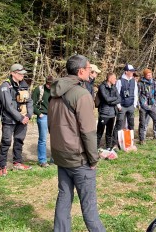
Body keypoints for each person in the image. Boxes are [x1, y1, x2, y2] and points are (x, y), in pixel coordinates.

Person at [48, 54, 105, 232]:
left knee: (64, 197)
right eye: (89, 69)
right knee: (89, 206)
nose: (91, 72)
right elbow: (88, 132)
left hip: (61, 155)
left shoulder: (55, 93)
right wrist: (93, 159)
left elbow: (51, 125)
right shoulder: (81, 95)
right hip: (79, 159)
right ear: (81, 71)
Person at [0, 63, 33, 176]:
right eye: (20, 73)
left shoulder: (24, 84)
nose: (22, 75)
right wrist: (20, 117)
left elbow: (30, 101)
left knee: (19, 141)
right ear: (12, 73)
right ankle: (2, 166)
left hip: (23, 119)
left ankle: (17, 162)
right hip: (9, 120)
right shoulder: (5, 86)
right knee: (6, 142)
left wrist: (28, 115)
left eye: (23, 73)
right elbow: (8, 106)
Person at [138, 69, 156, 145]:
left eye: (150, 74)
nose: (150, 76)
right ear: (144, 75)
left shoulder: (154, 82)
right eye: (148, 75)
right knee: (143, 123)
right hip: (143, 106)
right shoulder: (140, 83)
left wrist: (155, 103)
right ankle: (142, 140)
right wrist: (139, 105)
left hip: (152, 106)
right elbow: (137, 95)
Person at [112, 64, 138, 146]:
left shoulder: (134, 81)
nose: (132, 72)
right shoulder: (120, 81)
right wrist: (118, 105)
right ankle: (115, 143)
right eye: (131, 71)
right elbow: (117, 94)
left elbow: (135, 93)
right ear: (126, 71)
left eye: (133, 71)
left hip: (131, 106)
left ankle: (130, 142)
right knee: (119, 124)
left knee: (131, 124)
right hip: (122, 106)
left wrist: (134, 105)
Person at [32, 75, 53, 167]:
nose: (49, 86)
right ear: (46, 82)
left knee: (55, 139)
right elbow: (32, 104)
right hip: (43, 116)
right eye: (48, 84)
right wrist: (39, 113)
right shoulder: (39, 90)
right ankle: (42, 160)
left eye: (51, 84)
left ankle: (54, 159)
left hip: (54, 117)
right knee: (43, 139)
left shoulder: (56, 90)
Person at [97, 72, 121, 149]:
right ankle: (95, 149)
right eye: (114, 78)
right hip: (104, 113)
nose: (116, 80)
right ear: (109, 78)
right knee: (99, 133)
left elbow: (119, 98)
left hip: (112, 113)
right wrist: (115, 99)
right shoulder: (102, 86)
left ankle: (108, 148)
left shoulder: (114, 87)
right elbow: (106, 99)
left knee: (109, 132)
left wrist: (112, 100)